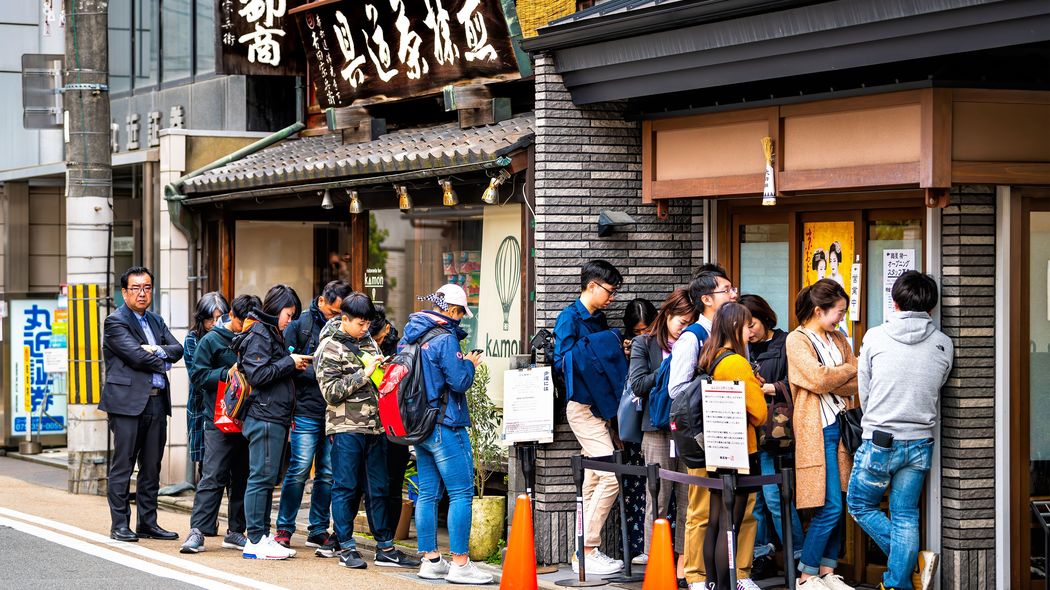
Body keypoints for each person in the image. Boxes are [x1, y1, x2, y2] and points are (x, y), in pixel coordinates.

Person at [847, 272, 952, 590]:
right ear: (930, 308)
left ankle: (908, 565)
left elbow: (864, 390)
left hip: (881, 440)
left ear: (894, 302)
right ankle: (897, 581)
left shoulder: (875, 338)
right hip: (921, 441)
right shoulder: (944, 344)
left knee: (860, 504)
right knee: (905, 513)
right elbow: (938, 386)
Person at [316, 292, 420, 570]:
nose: (365, 330)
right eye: (360, 324)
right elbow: (330, 393)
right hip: (345, 427)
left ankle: (385, 547)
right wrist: (364, 373)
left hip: (376, 428)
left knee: (380, 487)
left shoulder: (369, 344)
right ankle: (346, 546)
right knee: (346, 487)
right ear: (345, 319)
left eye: (367, 325)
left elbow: (378, 381)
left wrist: (385, 371)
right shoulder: (329, 347)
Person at [675, 264, 760, 590]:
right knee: (702, 511)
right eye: (727, 290)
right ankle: (698, 576)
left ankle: (739, 573)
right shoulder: (693, 337)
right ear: (708, 299)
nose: (733, 293)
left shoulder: (729, 336)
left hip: (734, 440)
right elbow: (679, 392)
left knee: (742, 511)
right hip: (710, 438)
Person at [402, 284, 492, 584]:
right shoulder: (445, 337)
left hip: (420, 426)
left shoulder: (411, 334)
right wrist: (469, 363)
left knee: (427, 493)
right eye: (459, 313)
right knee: (461, 493)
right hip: (446, 424)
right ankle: (460, 564)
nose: (460, 319)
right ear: (451, 310)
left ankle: (430, 560)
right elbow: (459, 382)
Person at [552, 260, 628, 576]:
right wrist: (607, 342)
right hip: (582, 407)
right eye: (609, 291)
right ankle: (586, 548)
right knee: (610, 475)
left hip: (600, 408)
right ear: (592, 286)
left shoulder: (599, 319)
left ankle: (582, 552)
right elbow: (562, 362)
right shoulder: (569, 318)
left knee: (594, 478)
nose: (611, 298)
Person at [100, 266, 184, 542]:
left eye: (147, 287)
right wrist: (160, 357)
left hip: (157, 403)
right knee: (123, 465)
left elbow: (178, 349)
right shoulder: (115, 322)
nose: (142, 293)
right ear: (124, 292)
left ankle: (148, 523)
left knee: (152, 467)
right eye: (135, 288)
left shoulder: (156, 321)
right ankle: (120, 524)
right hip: (126, 404)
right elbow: (136, 357)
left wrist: (156, 350)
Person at [786, 279, 859, 590]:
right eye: (839, 312)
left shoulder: (839, 339)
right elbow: (816, 379)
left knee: (839, 501)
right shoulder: (797, 340)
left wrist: (837, 376)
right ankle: (806, 575)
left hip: (841, 428)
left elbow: (857, 380)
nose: (842, 318)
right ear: (819, 310)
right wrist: (845, 372)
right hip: (816, 430)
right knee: (827, 505)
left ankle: (827, 571)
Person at [273, 280, 354, 549]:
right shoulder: (300, 325)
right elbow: (287, 363)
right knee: (298, 469)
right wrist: (325, 374)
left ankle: (318, 528)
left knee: (328, 473)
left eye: (343, 314)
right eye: (334, 312)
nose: (337, 318)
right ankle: (284, 527)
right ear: (321, 302)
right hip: (306, 410)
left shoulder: (348, 330)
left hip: (335, 412)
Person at [234, 284, 312, 560]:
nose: (290, 320)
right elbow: (258, 375)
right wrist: (289, 362)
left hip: (273, 416)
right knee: (260, 478)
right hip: (264, 416)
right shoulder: (260, 332)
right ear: (277, 308)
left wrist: (291, 363)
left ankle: (263, 536)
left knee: (266, 480)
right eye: (288, 315)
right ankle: (254, 539)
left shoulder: (269, 331)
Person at [181, 294, 260, 554]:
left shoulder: (255, 337)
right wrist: (227, 372)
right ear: (234, 317)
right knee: (213, 475)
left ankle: (236, 531)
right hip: (218, 418)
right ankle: (198, 531)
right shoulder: (211, 340)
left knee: (242, 476)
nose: (250, 326)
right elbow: (198, 375)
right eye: (246, 321)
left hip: (248, 417)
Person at [700, 303, 768, 590]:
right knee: (732, 524)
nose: (750, 330)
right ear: (733, 327)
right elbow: (760, 412)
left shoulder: (711, 356)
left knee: (715, 521)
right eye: (746, 324)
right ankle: (725, 586)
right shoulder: (737, 363)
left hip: (716, 446)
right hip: (739, 449)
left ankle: (713, 583)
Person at [739, 294, 804, 579]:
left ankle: (799, 557)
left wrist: (772, 388)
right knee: (757, 500)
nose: (749, 331)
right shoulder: (741, 349)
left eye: (752, 324)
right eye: (743, 327)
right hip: (747, 430)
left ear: (765, 318)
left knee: (775, 496)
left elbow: (799, 381)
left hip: (776, 431)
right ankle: (762, 555)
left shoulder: (786, 342)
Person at [630, 288, 694, 576]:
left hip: (689, 430)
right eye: (681, 323)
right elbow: (638, 384)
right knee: (657, 494)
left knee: (688, 497)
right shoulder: (646, 344)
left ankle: (683, 560)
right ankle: (654, 554)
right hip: (657, 429)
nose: (684, 330)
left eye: (689, 324)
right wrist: (672, 366)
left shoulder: (695, 343)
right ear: (667, 315)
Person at [620, 298, 657, 562]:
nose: (643, 336)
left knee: (658, 488)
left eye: (648, 329)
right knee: (635, 487)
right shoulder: (625, 348)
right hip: (634, 428)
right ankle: (635, 548)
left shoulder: (665, 344)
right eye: (638, 332)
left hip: (656, 424)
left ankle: (657, 546)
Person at [185, 292, 230, 478]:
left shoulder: (232, 336)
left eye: (218, 318)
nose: (213, 323)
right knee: (208, 469)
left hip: (229, 407)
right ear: (201, 319)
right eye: (209, 319)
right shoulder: (192, 339)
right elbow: (199, 377)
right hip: (202, 406)